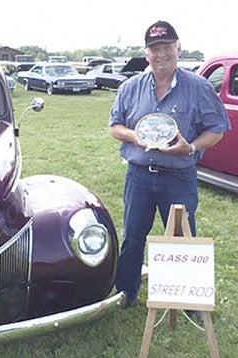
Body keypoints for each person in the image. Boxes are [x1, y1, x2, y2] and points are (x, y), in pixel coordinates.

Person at [109, 20, 231, 307]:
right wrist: (135, 136)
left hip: (179, 177)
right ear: (146, 53)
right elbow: (115, 126)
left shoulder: (199, 87)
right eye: (154, 49)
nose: (160, 54)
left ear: (178, 48)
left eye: (166, 47)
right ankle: (126, 293)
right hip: (138, 175)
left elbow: (217, 129)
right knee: (133, 236)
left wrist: (191, 147)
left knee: (182, 238)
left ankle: (187, 299)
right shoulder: (130, 87)